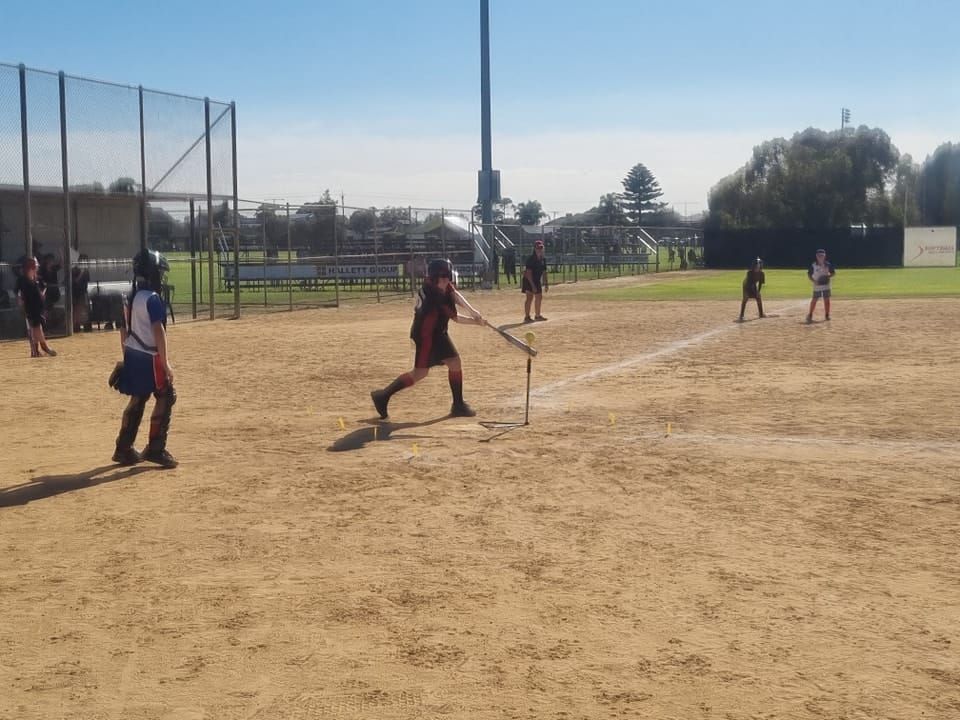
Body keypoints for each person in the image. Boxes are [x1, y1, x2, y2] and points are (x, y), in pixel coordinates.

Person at [370, 258, 486, 419]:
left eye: (448, 276)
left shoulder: (436, 285)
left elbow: (453, 293)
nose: (447, 280)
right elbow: (456, 318)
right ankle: (382, 396)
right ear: (434, 277)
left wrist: (473, 311)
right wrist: (476, 322)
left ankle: (458, 404)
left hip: (437, 332)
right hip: (427, 336)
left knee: (454, 362)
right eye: (443, 277)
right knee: (420, 373)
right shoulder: (435, 298)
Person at [112, 249, 177, 468]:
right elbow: (158, 331)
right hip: (150, 356)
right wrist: (165, 363)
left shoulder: (131, 296)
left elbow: (123, 330)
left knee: (139, 397)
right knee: (166, 394)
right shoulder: (152, 299)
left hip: (133, 352)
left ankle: (123, 448)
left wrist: (126, 357)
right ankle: (156, 448)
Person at [15, 256, 56, 357]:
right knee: (35, 328)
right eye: (35, 266)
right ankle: (42, 347)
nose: (37, 267)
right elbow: (19, 293)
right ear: (30, 267)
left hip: (38, 307)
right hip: (31, 308)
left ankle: (36, 351)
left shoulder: (36, 279)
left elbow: (41, 290)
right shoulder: (23, 280)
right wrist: (21, 302)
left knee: (36, 328)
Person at [806, 248, 836, 323]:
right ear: (816, 256)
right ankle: (810, 314)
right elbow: (809, 274)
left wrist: (828, 276)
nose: (820, 257)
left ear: (824, 256)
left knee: (827, 300)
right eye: (819, 255)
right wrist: (814, 281)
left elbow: (833, 273)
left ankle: (827, 315)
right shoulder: (813, 265)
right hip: (817, 285)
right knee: (814, 300)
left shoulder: (828, 264)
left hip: (826, 285)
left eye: (822, 255)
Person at [522, 239, 548, 323]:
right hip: (528, 280)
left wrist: (546, 283)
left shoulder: (543, 259)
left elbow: (544, 272)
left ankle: (537, 315)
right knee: (529, 298)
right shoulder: (531, 259)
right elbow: (528, 273)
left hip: (536, 280)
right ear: (534, 249)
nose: (540, 250)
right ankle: (527, 317)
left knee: (539, 297)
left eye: (541, 248)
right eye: (538, 248)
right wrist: (532, 286)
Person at [72, 254, 92, 333]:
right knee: (77, 309)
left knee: (85, 308)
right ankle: (76, 326)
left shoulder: (86, 271)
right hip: (76, 292)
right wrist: (81, 273)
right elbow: (75, 281)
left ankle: (86, 325)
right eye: (83, 261)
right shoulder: (75, 270)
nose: (85, 262)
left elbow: (87, 281)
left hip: (83, 292)